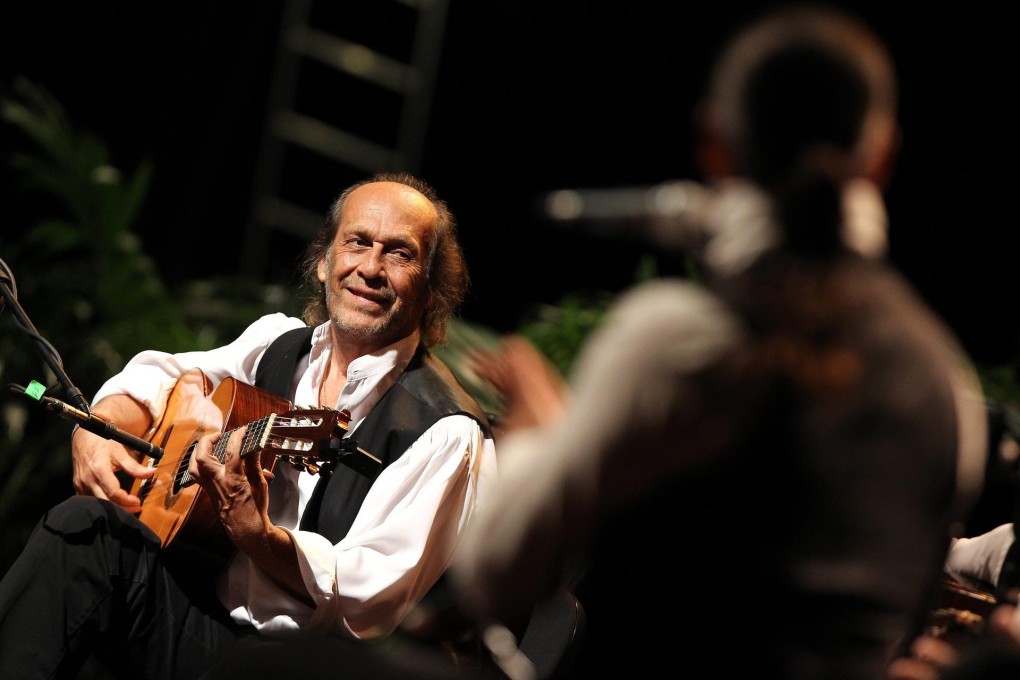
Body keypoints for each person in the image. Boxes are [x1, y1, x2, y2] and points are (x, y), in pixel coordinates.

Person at [448, 5, 989, 680]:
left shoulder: (678, 340)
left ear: (714, 142)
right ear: (881, 157)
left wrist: (536, 436)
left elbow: (496, 576)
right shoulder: (947, 383)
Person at [0, 171, 497, 679]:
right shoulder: (278, 345)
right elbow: (158, 374)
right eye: (357, 243)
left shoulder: (445, 431)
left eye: (399, 253)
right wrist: (97, 428)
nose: (370, 268)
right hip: (198, 606)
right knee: (84, 529)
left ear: (431, 288)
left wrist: (257, 535)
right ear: (324, 261)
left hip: (290, 665)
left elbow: (369, 601)